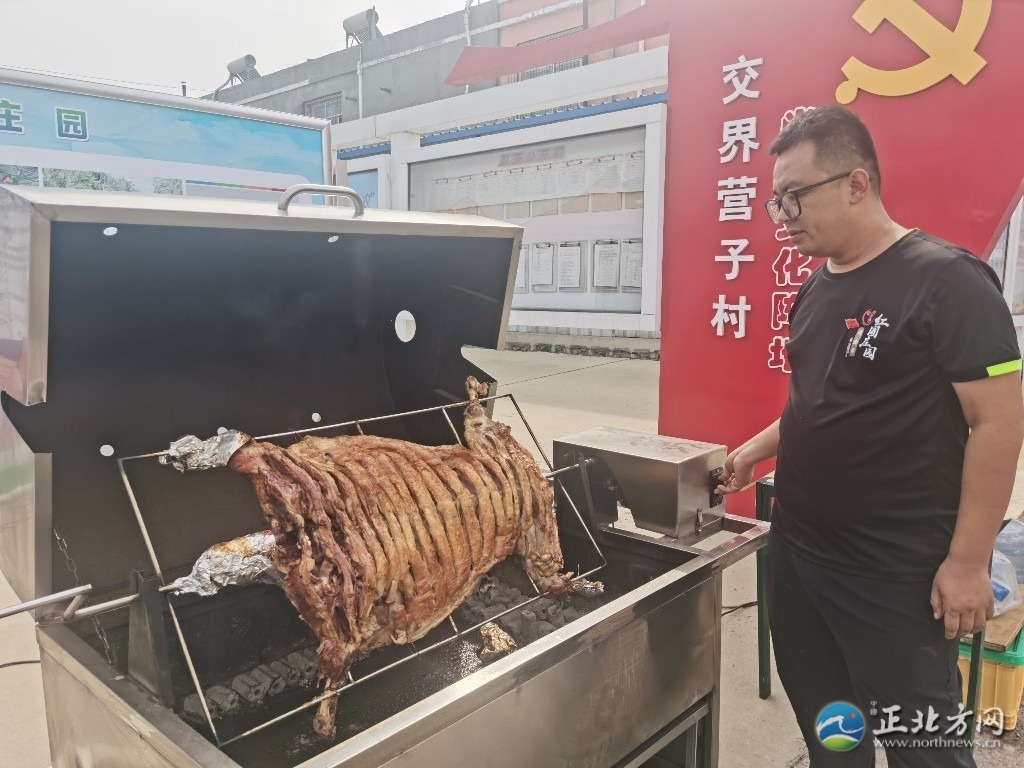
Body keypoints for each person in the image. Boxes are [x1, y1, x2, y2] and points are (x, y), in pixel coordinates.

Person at [716, 105, 1024, 767]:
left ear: (857, 183)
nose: (783, 216)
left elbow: (999, 422)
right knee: (835, 731)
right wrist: (752, 453)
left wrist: (968, 563)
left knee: (925, 749)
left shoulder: (948, 282)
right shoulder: (815, 292)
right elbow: (815, 404)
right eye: (776, 202)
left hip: (894, 578)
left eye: (795, 196)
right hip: (801, 561)